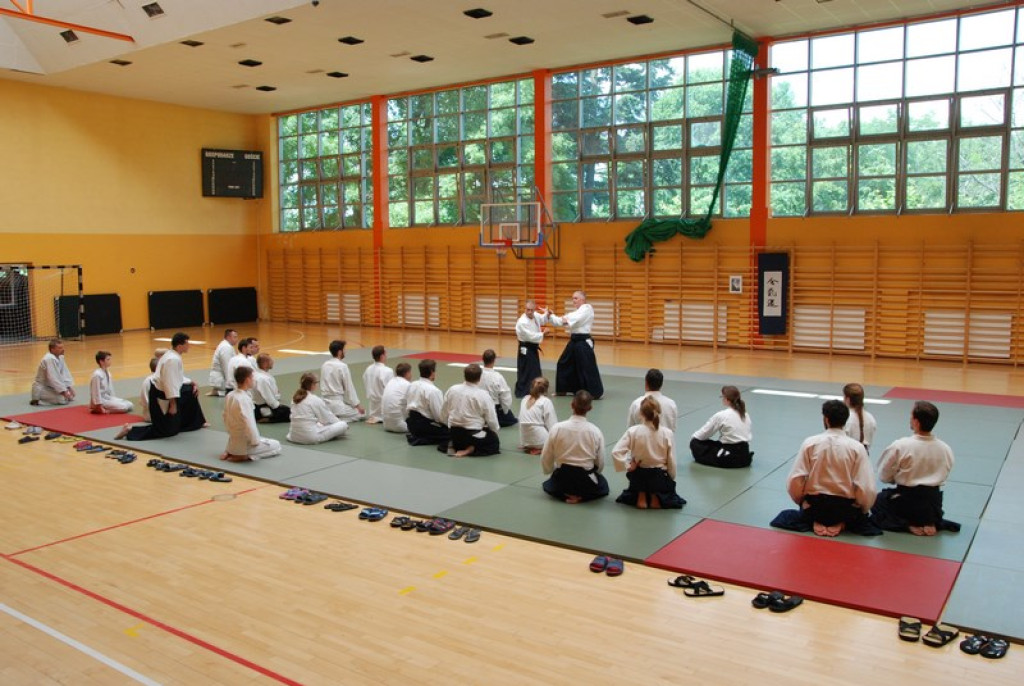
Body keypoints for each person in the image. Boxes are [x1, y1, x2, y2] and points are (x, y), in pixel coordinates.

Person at [772, 400, 879, 537]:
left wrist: (802, 501)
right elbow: (867, 486)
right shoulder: (856, 448)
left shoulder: (810, 443)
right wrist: (862, 508)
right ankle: (843, 522)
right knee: (868, 519)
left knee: (785, 517)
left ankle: (815, 520)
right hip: (844, 508)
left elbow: (795, 479)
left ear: (826, 419)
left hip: (815, 507)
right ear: (845, 421)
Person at [871, 401, 959, 536]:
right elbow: (945, 473)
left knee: (878, 501)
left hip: (906, 501)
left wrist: (896, 478)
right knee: (924, 503)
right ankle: (930, 522)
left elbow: (883, 475)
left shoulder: (901, 446)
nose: (910, 419)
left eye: (911, 417)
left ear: (916, 422)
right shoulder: (945, 449)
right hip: (933, 504)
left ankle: (906, 525)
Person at [118, 333, 206, 440]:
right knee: (165, 431)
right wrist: (173, 404)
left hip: (164, 391)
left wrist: (192, 382)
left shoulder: (172, 354)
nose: (189, 346)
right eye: (187, 344)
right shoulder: (172, 359)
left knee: (189, 391)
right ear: (179, 346)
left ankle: (194, 422)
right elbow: (170, 383)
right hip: (161, 395)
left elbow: (178, 377)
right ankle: (130, 430)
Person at [612, 396, 685, 509]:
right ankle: (654, 495)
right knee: (666, 490)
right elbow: (671, 460)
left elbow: (616, 452)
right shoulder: (667, 433)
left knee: (639, 476)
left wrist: (628, 466)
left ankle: (641, 494)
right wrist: (671, 477)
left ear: (640, 413)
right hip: (659, 476)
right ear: (659, 412)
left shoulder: (633, 431)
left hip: (638, 474)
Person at [541, 390, 608, 504]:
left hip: (562, 478)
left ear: (572, 405)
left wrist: (549, 470)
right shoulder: (595, 431)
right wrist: (596, 472)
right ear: (590, 408)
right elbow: (600, 463)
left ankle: (565, 495)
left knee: (550, 485)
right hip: (584, 480)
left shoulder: (557, 428)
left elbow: (546, 456)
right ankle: (581, 496)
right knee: (603, 485)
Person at [547, 291, 603, 398]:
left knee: (586, 367)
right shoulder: (576, 312)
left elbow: (568, 320)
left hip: (583, 341)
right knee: (563, 363)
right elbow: (561, 321)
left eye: (576, 298)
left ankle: (594, 393)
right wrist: (550, 316)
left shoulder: (587, 309)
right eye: (573, 298)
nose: (573, 301)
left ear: (582, 299)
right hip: (574, 340)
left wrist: (560, 318)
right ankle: (563, 390)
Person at [221, 366, 282, 462]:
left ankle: (231, 451)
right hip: (245, 444)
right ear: (247, 380)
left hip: (233, 440)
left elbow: (225, 417)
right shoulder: (244, 399)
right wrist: (255, 441)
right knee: (277, 446)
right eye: (252, 378)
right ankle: (245, 456)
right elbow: (249, 422)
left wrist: (231, 434)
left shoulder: (230, 395)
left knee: (262, 439)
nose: (254, 380)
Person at [441, 363, 500, 457]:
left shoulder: (452, 389)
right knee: (493, 442)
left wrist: (447, 426)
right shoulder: (483, 395)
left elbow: (443, 413)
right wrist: (494, 432)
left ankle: (454, 445)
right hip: (473, 436)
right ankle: (469, 450)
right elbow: (492, 419)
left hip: (454, 433)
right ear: (480, 378)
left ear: (464, 376)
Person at [689, 385, 753, 468]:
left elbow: (703, 434)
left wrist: (694, 438)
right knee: (715, 444)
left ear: (726, 399)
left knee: (695, 443)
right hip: (745, 456)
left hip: (730, 457)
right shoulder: (745, 414)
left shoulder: (722, 415)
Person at [286, 373, 349, 444]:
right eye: (317, 382)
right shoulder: (315, 399)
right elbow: (328, 418)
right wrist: (340, 423)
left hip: (293, 436)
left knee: (319, 423)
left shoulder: (294, 398)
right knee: (343, 425)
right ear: (312, 385)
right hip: (310, 438)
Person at [405, 359, 450, 446]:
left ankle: (419, 437)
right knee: (452, 434)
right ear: (432, 372)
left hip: (411, 424)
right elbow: (439, 417)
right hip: (425, 426)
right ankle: (422, 438)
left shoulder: (412, 384)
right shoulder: (433, 391)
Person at [320, 339, 364, 421]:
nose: (345, 351)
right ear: (340, 352)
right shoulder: (342, 366)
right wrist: (358, 406)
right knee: (360, 414)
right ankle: (336, 419)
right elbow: (349, 388)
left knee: (343, 407)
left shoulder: (324, 365)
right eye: (344, 349)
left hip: (324, 403)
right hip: (336, 404)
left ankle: (330, 416)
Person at [514, 299, 549, 398]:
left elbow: (542, 319)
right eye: (527, 310)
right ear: (524, 309)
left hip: (532, 347)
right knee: (526, 371)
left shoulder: (535, 315)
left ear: (534, 310)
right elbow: (530, 336)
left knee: (535, 370)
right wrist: (543, 334)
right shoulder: (522, 322)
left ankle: (536, 390)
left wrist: (547, 314)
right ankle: (524, 391)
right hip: (525, 347)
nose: (529, 312)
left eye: (531, 310)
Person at [30, 338, 75, 405]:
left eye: (62, 347)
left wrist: (69, 387)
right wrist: (63, 392)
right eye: (59, 348)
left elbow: (65, 374)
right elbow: (54, 378)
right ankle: (37, 401)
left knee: (70, 397)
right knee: (62, 400)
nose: (63, 349)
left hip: (51, 387)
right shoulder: (49, 359)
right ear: (52, 349)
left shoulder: (60, 357)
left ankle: (56, 395)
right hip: (42, 388)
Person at [519, 377, 557, 455]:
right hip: (540, 440)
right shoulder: (546, 401)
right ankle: (541, 448)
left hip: (524, 440)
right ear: (546, 389)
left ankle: (530, 445)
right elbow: (552, 424)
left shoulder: (524, 399)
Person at [480, 348, 517, 427]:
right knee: (512, 420)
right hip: (493, 408)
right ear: (494, 360)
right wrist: (505, 410)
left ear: (483, 359)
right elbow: (505, 396)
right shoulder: (498, 377)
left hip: (478, 406)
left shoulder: (477, 374)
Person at [252, 353, 290, 423]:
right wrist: (279, 407)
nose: (273, 362)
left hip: (258, 405)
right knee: (290, 413)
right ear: (265, 363)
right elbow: (269, 399)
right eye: (271, 360)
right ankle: (269, 419)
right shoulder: (262, 379)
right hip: (263, 408)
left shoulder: (257, 374)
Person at [362, 345, 394, 425]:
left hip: (372, 406)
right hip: (384, 408)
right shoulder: (387, 371)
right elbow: (391, 390)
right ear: (382, 356)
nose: (386, 356)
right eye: (385, 354)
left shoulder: (368, 369)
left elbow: (365, 382)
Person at [843, 383, 877, 452]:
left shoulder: (845, 418)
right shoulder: (871, 418)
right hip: (864, 456)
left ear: (848, 399)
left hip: (848, 455)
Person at [380, 363, 412, 434]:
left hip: (386, 424)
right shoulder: (407, 385)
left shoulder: (390, 382)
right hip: (401, 426)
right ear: (407, 373)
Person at [208, 328, 239, 396]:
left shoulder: (227, 345)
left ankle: (220, 390)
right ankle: (220, 391)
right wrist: (232, 385)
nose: (237, 339)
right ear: (228, 337)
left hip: (219, 378)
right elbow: (227, 368)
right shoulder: (226, 348)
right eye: (235, 337)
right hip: (220, 380)